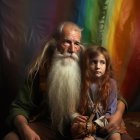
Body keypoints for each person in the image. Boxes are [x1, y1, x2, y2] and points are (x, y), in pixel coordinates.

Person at [3, 22, 131, 140]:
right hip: (51, 125)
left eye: (76, 43)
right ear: (55, 42)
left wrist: (118, 114)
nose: (71, 49)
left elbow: (115, 94)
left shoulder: (88, 64)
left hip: (85, 126)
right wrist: (24, 128)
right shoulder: (40, 71)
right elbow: (19, 107)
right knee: (11, 138)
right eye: (66, 42)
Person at [70, 45, 133, 140]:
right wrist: (82, 122)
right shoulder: (80, 84)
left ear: (107, 65)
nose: (98, 66)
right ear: (87, 64)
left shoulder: (111, 84)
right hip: (87, 126)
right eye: (94, 62)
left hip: (106, 123)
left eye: (102, 62)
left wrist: (96, 124)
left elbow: (111, 111)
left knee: (115, 137)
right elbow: (74, 108)